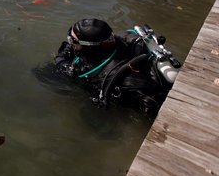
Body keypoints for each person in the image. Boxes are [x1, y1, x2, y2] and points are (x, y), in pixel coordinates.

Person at [51, 18, 180, 116]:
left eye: (73, 41)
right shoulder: (120, 39)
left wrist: (61, 60)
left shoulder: (110, 76)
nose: (70, 43)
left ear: (89, 46)